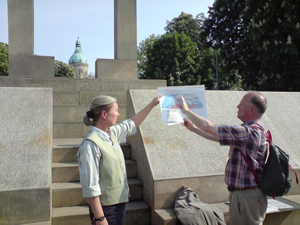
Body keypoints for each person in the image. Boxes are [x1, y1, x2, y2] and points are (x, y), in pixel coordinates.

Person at [180, 91, 268, 225]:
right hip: (242, 196)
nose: (237, 106)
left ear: (251, 110)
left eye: (241, 104)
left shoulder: (249, 133)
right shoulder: (250, 131)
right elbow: (217, 137)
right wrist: (194, 129)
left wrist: (186, 111)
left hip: (247, 197)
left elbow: (208, 127)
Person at [77, 95, 160, 225]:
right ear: (104, 114)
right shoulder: (90, 145)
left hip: (118, 205)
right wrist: (100, 218)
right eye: (115, 110)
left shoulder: (111, 133)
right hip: (105, 209)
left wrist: (152, 104)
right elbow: (90, 187)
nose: (118, 114)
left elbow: (131, 123)